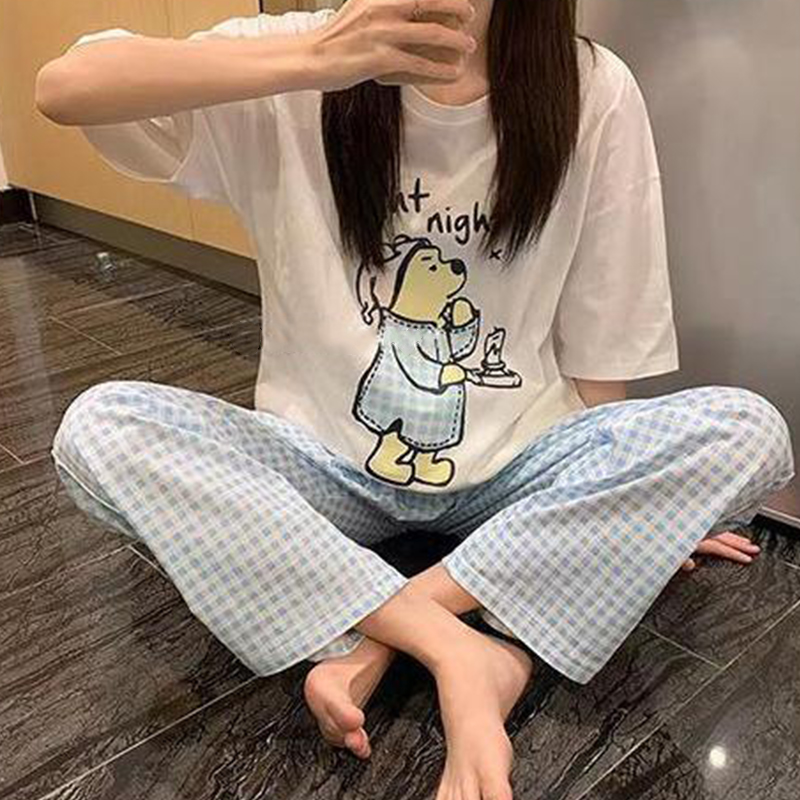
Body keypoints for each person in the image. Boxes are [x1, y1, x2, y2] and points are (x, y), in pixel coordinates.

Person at [36, 2, 795, 799]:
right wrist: (322, 58)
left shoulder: (591, 86)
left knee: (746, 430)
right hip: (324, 469)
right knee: (102, 429)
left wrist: (621, 498)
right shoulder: (295, 55)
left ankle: (386, 630)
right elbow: (67, 86)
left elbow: (603, 346)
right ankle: (468, 646)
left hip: (515, 474)